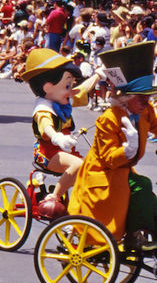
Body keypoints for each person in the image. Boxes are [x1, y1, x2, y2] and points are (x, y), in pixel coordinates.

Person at [69, 41, 157, 248]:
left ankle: (151, 232)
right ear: (126, 99)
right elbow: (108, 159)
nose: (147, 102)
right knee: (142, 185)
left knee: (148, 195)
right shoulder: (108, 118)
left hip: (123, 172)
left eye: (148, 97)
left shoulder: (144, 111)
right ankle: (135, 237)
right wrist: (128, 149)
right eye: (142, 98)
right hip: (102, 173)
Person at [22, 48, 99, 217]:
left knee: (94, 167)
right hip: (48, 153)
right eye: (67, 85)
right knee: (78, 165)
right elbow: (46, 127)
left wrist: (98, 75)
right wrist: (58, 138)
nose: (71, 90)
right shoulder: (43, 109)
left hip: (64, 152)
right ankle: (54, 196)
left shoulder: (60, 99)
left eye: (70, 85)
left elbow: (82, 90)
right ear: (49, 88)